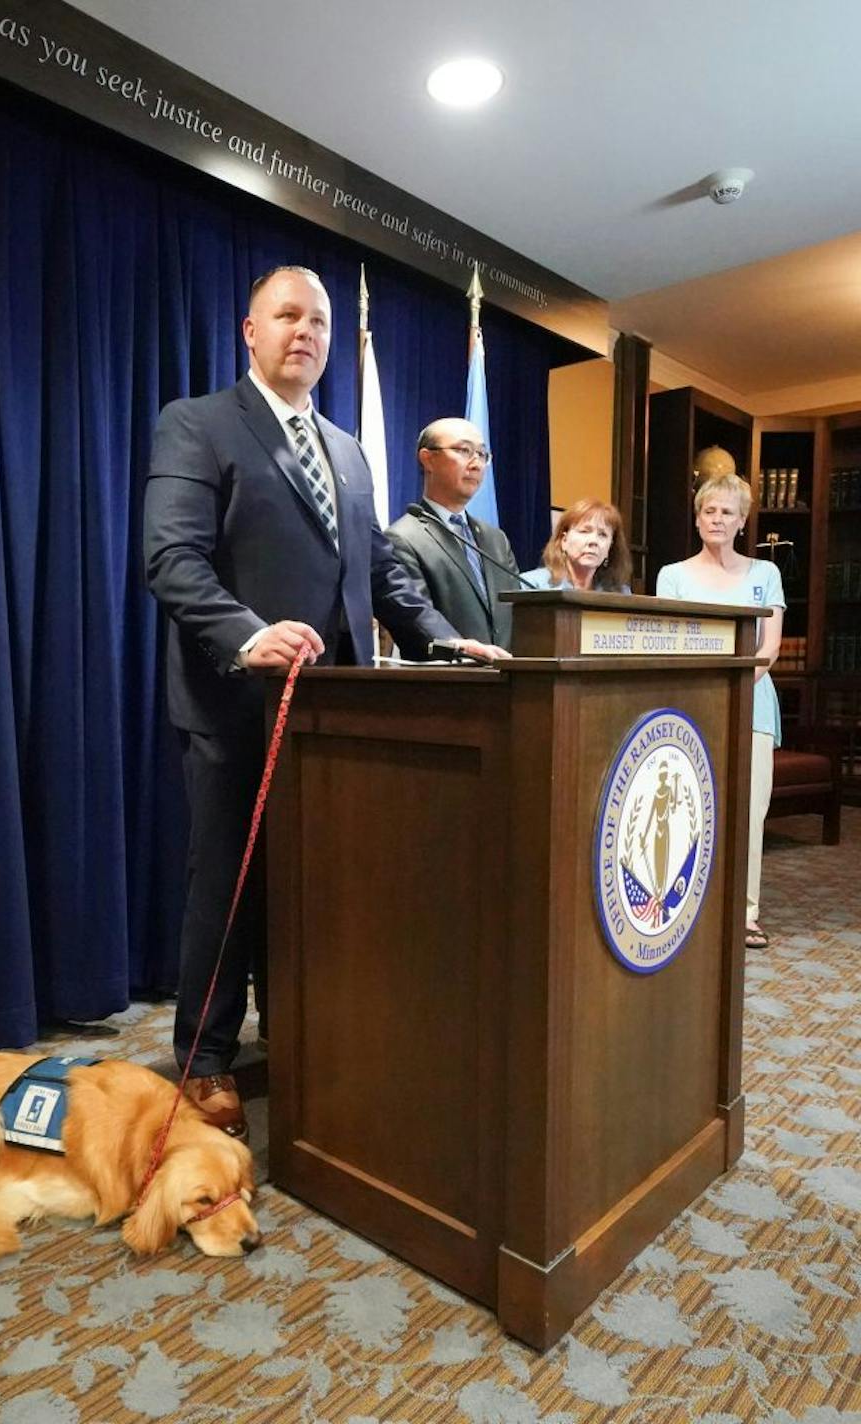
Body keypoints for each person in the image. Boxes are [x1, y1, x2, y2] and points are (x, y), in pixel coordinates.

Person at [143, 266, 508, 1139]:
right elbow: (171, 557)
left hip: (334, 719)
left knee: (319, 885)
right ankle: (205, 1060)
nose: (304, 331)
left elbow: (376, 568)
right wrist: (244, 632)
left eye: (319, 321)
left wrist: (441, 637)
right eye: (287, 316)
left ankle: (301, 1029)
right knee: (228, 882)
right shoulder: (196, 424)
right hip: (237, 708)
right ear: (250, 330)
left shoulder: (346, 448)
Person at [655, 472, 784, 950]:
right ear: (697, 518)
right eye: (709, 510)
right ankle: (685, 905)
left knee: (748, 812)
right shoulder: (672, 575)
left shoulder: (765, 575)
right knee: (688, 810)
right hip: (690, 707)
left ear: (742, 521)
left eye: (727, 512)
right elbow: (667, 643)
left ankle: (746, 913)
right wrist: (707, 692)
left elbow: (768, 649)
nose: (717, 519)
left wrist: (732, 686)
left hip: (753, 705)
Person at [386, 420, 520, 648]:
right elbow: (415, 620)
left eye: (482, 454)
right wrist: (460, 647)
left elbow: (519, 613)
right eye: (464, 451)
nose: (476, 464)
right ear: (428, 459)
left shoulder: (496, 540)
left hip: (508, 677)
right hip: (451, 677)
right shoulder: (403, 538)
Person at [520, 498, 633, 592]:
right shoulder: (531, 584)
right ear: (564, 541)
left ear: (610, 548)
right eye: (584, 531)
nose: (593, 541)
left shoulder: (621, 593)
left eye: (603, 535)